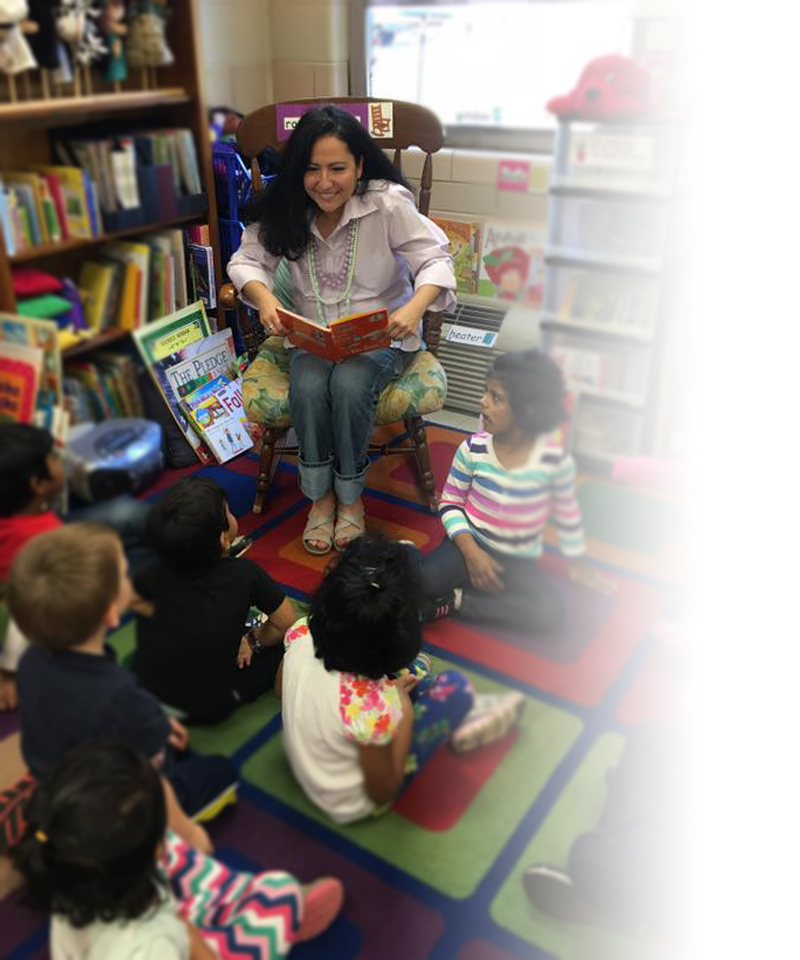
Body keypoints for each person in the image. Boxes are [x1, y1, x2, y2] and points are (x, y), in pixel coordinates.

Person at [228, 104, 456, 554]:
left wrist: (413, 308)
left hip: (381, 335)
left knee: (350, 384)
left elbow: (435, 259)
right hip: (312, 335)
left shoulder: (386, 203)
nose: (324, 182)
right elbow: (246, 261)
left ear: (360, 166)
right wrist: (267, 297)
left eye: (338, 168)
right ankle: (321, 497)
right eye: (312, 169)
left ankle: (350, 499)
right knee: (311, 383)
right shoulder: (287, 206)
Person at [7, 522, 237, 851]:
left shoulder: (31, 659)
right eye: (123, 572)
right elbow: (149, 776)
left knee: (176, 744)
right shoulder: (119, 695)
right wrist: (188, 834)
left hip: (57, 773)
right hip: (110, 806)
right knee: (219, 770)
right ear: (111, 614)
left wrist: (157, 724)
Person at [12, 740, 344, 960]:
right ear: (150, 849)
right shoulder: (150, 948)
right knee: (280, 892)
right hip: (171, 938)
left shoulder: (69, 873)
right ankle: (285, 911)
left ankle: (265, 905)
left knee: (185, 861)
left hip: (156, 917)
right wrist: (196, 943)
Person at [278, 537, 526, 825]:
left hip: (305, 761)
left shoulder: (300, 634)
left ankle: (405, 681)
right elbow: (383, 789)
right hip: (351, 801)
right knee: (454, 687)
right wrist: (402, 711)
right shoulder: (377, 709)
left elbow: (280, 688)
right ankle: (461, 717)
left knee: (394, 682)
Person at [413, 350, 612, 635]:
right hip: (467, 544)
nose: (483, 402)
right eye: (485, 392)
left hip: (516, 560)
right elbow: (450, 503)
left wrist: (579, 565)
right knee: (423, 580)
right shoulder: (473, 449)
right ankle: (409, 555)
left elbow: (568, 518)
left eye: (496, 398)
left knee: (548, 613)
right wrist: (471, 554)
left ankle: (456, 601)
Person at [0, 422, 151, 711]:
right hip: (72, 570)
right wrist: (9, 670)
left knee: (124, 510)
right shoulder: (42, 547)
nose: (61, 459)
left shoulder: (22, 513)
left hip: (60, 536)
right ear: (37, 484)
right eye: (53, 458)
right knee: (149, 559)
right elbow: (23, 616)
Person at [131, 476, 298, 723]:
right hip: (208, 703)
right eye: (228, 512)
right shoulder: (245, 574)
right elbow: (286, 624)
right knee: (291, 643)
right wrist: (251, 640)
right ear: (222, 540)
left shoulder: (149, 570)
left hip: (149, 687)